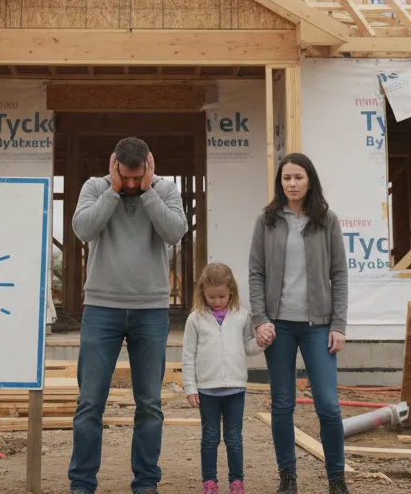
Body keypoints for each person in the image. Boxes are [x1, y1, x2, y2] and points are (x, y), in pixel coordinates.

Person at [68, 136, 188, 494]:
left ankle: (146, 484)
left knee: (149, 404)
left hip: (150, 310)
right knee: (90, 401)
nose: (132, 184)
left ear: (149, 165)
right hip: (101, 308)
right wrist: (112, 191)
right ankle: (82, 484)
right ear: (113, 164)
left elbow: (175, 232)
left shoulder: (165, 190)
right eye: (126, 177)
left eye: (138, 178)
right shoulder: (94, 187)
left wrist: (149, 193)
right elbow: (83, 230)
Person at [248, 153, 349, 494]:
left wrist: (339, 324)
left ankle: (337, 479)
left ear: (310, 181)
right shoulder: (267, 220)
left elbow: (339, 275)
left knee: (328, 406)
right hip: (279, 327)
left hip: (319, 326)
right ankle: (287, 478)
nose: (291, 184)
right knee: (282, 404)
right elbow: (256, 273)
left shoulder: (327, 220)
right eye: (286, 178)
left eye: (298, 178)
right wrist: (260, 319)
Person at [183, 263, 263, 494]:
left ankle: (236, 481)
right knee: (209, 437)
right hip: (207, 390)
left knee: (234, 438)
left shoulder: (242, 315)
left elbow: (248, 346)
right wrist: (190, 387)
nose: (217, 301)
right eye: (211, 297)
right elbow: (188, 355)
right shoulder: (195, 319)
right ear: (202, 293)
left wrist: (260, 342)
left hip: (235, 390)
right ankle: (209, 481)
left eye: (222, 296)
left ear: (231, 292)